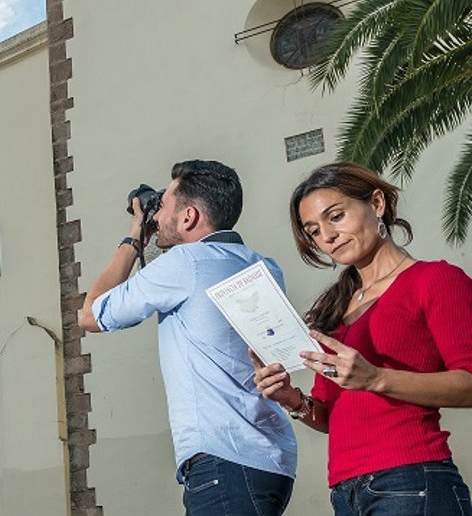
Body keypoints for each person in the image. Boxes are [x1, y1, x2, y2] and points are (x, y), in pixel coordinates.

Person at [252, 162, 472, 515]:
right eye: (314, 231)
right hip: (346, 492)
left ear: (377, 203)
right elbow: (330, 415)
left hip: (411, 481)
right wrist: (291, 399)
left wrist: (376, 378)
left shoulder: (435, 280)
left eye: (336, 216)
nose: (327, 236)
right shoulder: (335, 308)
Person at [79, 159, 296, 515]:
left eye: (163, 205)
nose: (157, 215)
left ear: (189, 216)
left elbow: (90, 315)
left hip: (222, 459)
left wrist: (135, 236)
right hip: (273, 461)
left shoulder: (185, 262)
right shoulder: (264, 266)